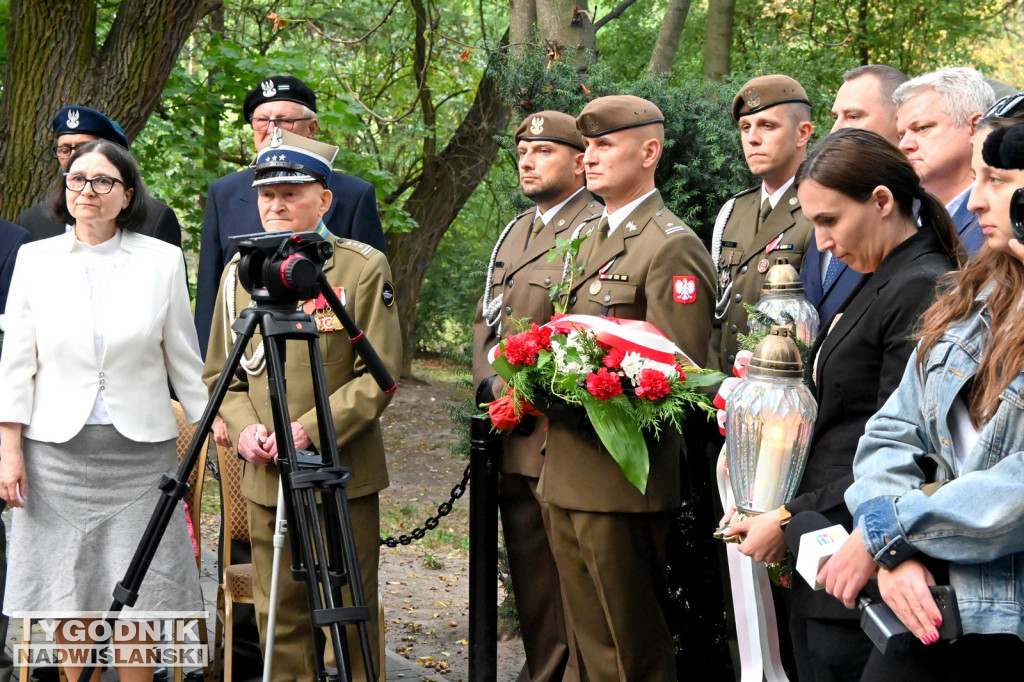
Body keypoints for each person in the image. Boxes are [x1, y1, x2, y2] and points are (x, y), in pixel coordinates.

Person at [723, 128, 963, 681]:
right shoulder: (883, 274)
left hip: (858, 552)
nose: (823, 242)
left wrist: (784, 518)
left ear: (881, 201)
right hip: (826, 541)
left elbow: (899, 449)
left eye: (830, 221)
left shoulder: (918, 285)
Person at [817, 106, 1024, 679]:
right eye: (977, 179)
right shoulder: (972, 298)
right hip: (931, 599)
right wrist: (894, 550)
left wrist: (890, 533)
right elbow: (890, 429)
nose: (976, 201)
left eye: (998, 181)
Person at [0, 139, 207, 682]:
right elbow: (17, 364)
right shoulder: (34, 259)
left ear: (127, 195)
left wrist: (216, 422)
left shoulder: (161, 260)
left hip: (139, 457)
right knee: (70, 587)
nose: (86, 189)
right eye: (76, 179)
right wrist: (9, 451)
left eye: (101, 181)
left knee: (137, 587)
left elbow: (185, 359)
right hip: (55, 455)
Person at [203, 129, 401, 682]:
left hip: (342, 473)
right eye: (267, 194)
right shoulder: (237, 275)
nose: (276, 204)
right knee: (280, 620)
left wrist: (308, 431)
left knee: (351, 619)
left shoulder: (359, 269)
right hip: (266, 474)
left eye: (291, 192)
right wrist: (244, 432)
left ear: (325, 200)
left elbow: (377, 378)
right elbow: (222, 374)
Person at [539, 95, 716, 680]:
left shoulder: (670, 244)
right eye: (586, 146)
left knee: (631, 644)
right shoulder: (587, 234)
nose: (588, 157)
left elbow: (673, 375)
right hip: (566, 468)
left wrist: (575, 384)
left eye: (603, 145)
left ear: (649, 152)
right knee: (589, 643)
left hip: (620, 479)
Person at [472, 111, 599, 682]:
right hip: (510, 435)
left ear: (581, 161)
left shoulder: (595, 227)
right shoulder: (517, 229)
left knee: (575, 585)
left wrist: (520, 393)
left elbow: (581, 332)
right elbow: (489, 323)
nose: (527, 159)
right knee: (532, 581)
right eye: (523, 150)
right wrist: (490, 388)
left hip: (557, 434)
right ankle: (544, 672)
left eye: (543, 150)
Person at [195, 75, 387, 358]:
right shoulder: (223, 192)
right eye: (262, 120)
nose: (271, 130)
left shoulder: (353, 196)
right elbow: (211, 293)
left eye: (284, 120)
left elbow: (370, 301)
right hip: (244, 361)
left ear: (312, 128)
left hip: (322, 361)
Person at [710, 74, 815, 372]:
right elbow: (718, 314)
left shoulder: (819, 211)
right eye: (746, 127)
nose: (752, 138)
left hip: (784, 394)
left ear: (802, 133)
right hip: (724, 394)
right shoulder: (733, 211)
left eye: (767, 125)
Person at [805, 65, 909, 322]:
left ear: (901, 121)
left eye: (853, 117)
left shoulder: (915, 219)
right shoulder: (826, 199)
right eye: (835, 117)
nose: (836, 131)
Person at [15, 105, 182, 248]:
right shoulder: (32, 220)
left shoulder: (155, 219)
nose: (73, 156)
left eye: (83, 148)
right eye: (65, 149)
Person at [894, 67, 995, 255]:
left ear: (975, 127)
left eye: (922, 128)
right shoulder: (900, 217)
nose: (905, 145)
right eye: (901, 135)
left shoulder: (1002, 219)